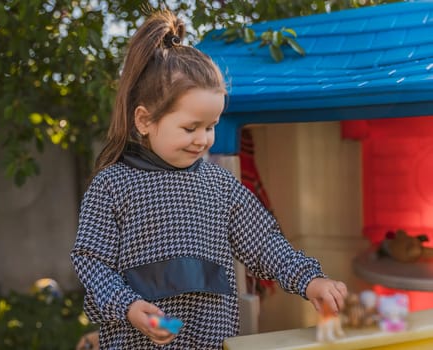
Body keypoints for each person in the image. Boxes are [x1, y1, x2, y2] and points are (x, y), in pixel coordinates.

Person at [70, 9, 348, 350]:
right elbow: (91, 261)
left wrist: (310, 280)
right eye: (190, 128)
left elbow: (265, 244)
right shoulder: (112, 185)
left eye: (211, 126)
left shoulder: (219, 185)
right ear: (143, 120)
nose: (203, 139)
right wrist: (127, 306)